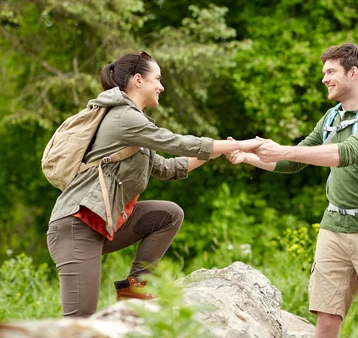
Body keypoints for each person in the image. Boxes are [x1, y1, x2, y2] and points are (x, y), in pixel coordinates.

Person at [226, 43, 358, 337]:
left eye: (331, 71)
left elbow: (345, 153)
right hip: (334, 228)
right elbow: (293, 162)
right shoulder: (331, 118)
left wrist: (283, 150)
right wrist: (249, 158)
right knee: (327, 320)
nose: (324, 79)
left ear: (353, 73)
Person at [46, 50, 261, 318]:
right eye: (157, 79)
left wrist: (221, 149)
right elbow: (176, 142)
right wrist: (242, 144)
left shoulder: (134, 126)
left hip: (101, 223)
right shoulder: (124, 118)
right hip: (76, 227)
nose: (161, 86)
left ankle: (134, 289)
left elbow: (168, 167)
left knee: (168, 215)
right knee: (79, 321)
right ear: (138, 80)